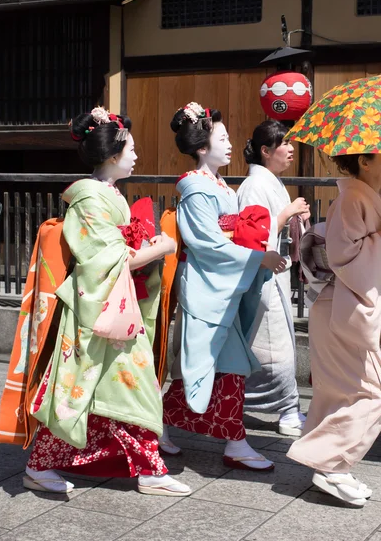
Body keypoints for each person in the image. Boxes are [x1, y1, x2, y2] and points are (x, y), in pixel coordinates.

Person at [20, 107, 191, 497]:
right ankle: (41, 465)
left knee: (109, 390)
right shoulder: (90, 200)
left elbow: (119, 252)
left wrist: (143, 244)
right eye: (130, 148)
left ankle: (146, 468)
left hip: (113, 304)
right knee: (89, 388)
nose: (135, 155)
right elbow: (109, 259)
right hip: (96, 306)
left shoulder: (107, 193)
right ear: (113, 155)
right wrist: (163, 246)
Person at [160, 102, 287, 471]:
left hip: (222, 288)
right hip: (207, 288)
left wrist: (255, 244)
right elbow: (208, 245)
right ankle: (236, 443)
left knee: (215, 366)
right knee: (221, 366)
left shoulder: (217, 185)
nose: (231, 144)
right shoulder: (198, 188)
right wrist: (257, 259)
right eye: (222, 137)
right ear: (202, 147)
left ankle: (161, 424)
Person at [287, 152, 381, 507]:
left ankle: (331, 464)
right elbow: (345, 257)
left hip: (343, 307)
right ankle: (327, 464)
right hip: (344, 307)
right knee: (371, 394)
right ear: (366, 161)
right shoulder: (354, 197)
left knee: (338, 393)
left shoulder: (362, 195)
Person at [237, 120, 310, 436]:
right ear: (266, 151)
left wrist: (296, 216)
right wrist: (286, 213)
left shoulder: (269, 183)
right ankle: (286, 411)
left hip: (272, 274)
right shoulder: (254, 186)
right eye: (284, 143)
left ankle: (283, 408)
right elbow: (250, 236)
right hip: (261, 277)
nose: (291, 149)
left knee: (277, 344)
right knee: (272, 346)